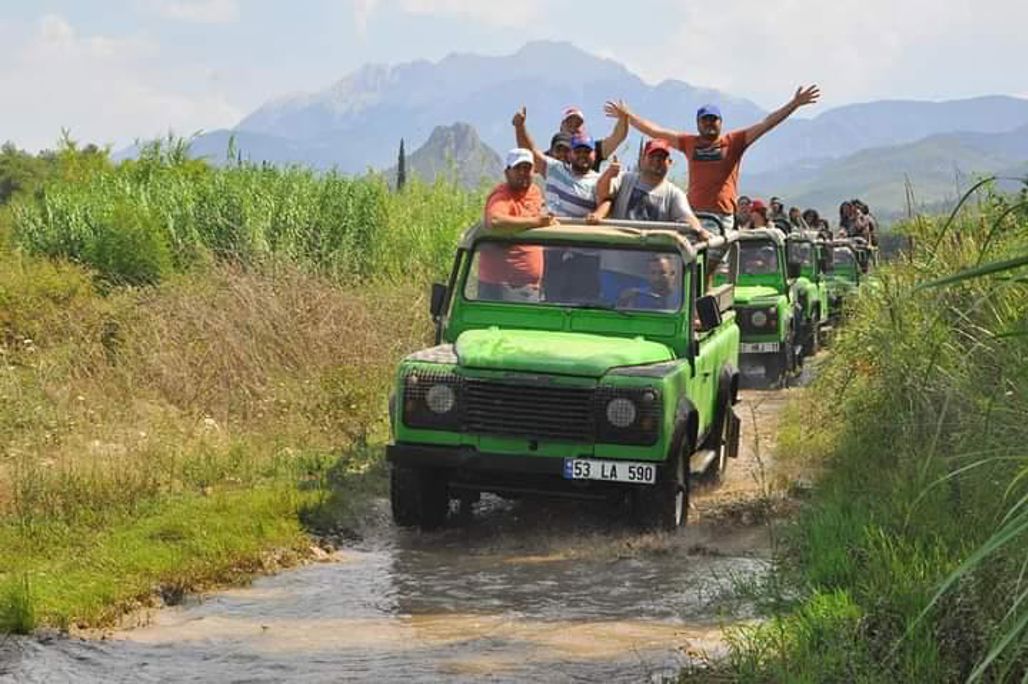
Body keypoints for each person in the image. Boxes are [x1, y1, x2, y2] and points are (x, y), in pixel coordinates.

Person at [604, 86, 821, 230]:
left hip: (721, 216)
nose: (709, 123)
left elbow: (766, 124)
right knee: (689, 266)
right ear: (698, 123)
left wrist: (794, 104)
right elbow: (657, 132)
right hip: (693, 213)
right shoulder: (690, 143)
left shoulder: (734, 141)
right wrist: (628, 116)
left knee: (711, 266)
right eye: (705, 120)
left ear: (720, 122)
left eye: (713, 120)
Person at [587, 139, 712, 239]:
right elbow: (602, 193)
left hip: (651, 267)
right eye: (652, 156)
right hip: (614, 263)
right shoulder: (624, 178)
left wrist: (699, 230)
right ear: (642, 159)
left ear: (670, 162)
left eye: (662, 157)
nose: (657, 161)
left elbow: (687, 217)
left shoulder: (674, 193)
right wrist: (608, 174)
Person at [478, 148, 557, 302]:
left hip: (529, 287)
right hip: (500, 287)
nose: (523, 172)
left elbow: (540, 213)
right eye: (518, 168)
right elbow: (495, 221)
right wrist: (537, 222)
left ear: (533, 171)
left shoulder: (534, 192)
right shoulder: (502, 196)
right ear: (507, 173)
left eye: (527, 168)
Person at [513, 106, 614, 218]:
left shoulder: (600, 180)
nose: (582, 155)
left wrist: (597, 215)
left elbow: (606, 202)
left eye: (587, 151)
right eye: (578, 151)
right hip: (550, 229)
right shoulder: (555, 168)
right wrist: (520, 127)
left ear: (595, 155)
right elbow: (530, 153)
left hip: (578, 233)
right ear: (570, 154)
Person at [558, 106, 628, 172]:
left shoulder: (593, 148)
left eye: (577, 125)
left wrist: (623, 118)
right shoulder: (552, 153)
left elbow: (617, 137)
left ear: (583, 129)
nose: (573, 128)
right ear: (561, 127)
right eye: (569, 124)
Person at [616, 254, 682, 310]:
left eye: (662, 273)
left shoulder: (682, 298)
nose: (657, 278)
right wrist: (623, 300)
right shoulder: (636, 295)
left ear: (672, 274)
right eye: (653, 273)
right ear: (648, 274)